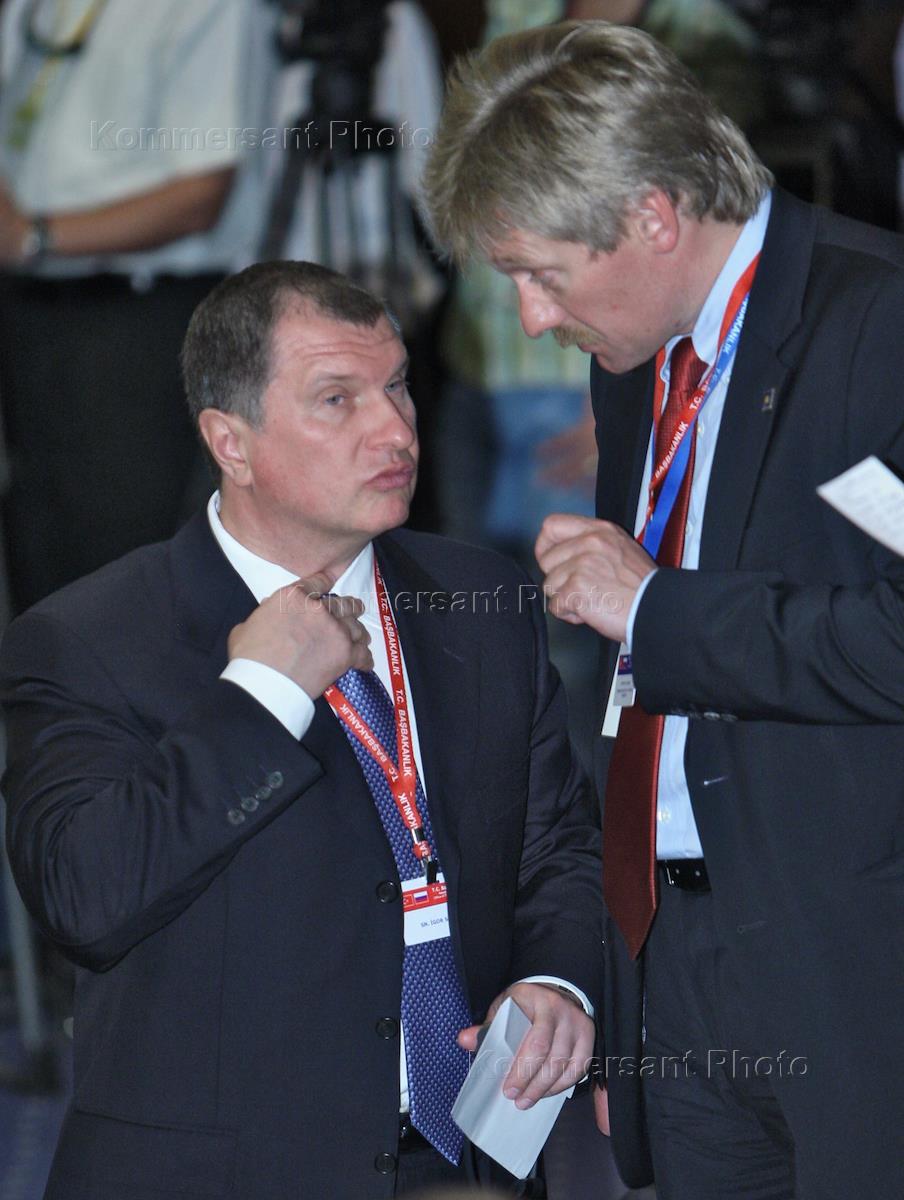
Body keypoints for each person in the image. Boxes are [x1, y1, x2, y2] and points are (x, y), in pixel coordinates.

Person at [421, 19, 904, 1200]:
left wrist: (658, 611)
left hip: (856, 970)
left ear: (652, 216)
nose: (533, 318)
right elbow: (647, 710)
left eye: (543, 273)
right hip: (678, 958)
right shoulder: (636, 357)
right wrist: (622, 981)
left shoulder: (879, 322)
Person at [0, 260, 603, 1199]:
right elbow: (85, 899)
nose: (395, 429)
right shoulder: (90, 638)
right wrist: (261, 694)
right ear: (230, 443)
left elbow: (559, 846)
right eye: (337, 399)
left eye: (398, 385)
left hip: (462, 1166)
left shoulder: (479, 600)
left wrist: (560, 983)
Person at [0, 0, 275, 611]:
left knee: (118, 562)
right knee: (36, 541)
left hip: (135, 317)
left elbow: (203, 194)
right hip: (32, 305)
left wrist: (34, 236)